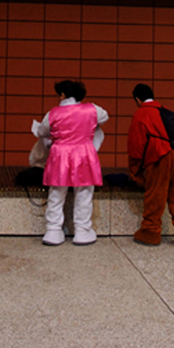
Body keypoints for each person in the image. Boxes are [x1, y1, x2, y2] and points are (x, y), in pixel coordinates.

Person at [33, 80, 108, 246]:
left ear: (62, 95)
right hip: (84, 155)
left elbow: (42, 131)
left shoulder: (53, 113)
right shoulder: (93, 109)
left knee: (56, 193)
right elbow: (104, 117)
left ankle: (53, 231)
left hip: (60, 155)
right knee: (84, 193)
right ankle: (82, 230)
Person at [127, 83, 174, 247]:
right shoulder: (166, 110)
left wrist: (135, 172)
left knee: (156, 195)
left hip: (161, 156)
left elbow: (135, 148)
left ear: (137, 99)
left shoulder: (141, 114)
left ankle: (150, 231)